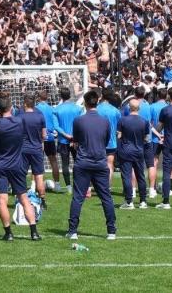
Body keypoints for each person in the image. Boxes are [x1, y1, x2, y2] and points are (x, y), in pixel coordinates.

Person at [0, 96, 40, 241]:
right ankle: (33, 232)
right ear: (11, 107)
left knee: (2, 199)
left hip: (0, 165)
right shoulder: (20, 121)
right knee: (23, 197)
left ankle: (8, 233)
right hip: (17, 164)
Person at [66, 90, 117, 240]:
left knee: (78, 197)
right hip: (100, 162)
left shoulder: (79, 120)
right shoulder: (104, 121)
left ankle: (73, 231)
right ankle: (111, 231)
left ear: (86, 103)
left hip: (83, 162)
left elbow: (76, 140)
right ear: (97, 102)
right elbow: (106, 140)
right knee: (106, 197)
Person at [116, 98, 150, 209]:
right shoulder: (144, 121)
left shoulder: (122, 120)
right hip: (139, 151)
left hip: (125, 151)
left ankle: (129, 201)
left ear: (129, 108)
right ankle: (143, 201)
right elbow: (146, 138)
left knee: (126, 176)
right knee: (140, 176)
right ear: (139, 108)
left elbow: (119, 136)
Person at [19, 94, 48, 202]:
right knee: (39, 175)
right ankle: (43, 200)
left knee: (21, 174)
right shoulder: (40, 116)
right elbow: (44, 135)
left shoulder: (20, 117)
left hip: (23, 149)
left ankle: (22, 200)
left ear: (25, 104)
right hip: (36, 149)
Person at [52, 87, 82, 191]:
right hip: (76, 140)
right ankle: (77, 185)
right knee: (78, 162)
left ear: (61, 96)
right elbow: (81, 123)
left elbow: (56, 126)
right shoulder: (78, 108)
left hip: (63, 141)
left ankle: (69, 187)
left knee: (65, 164)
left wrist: (66, 135)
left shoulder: (56, 110)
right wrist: (73, 136)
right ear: (70, 95)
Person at [35, 90, 60, 192]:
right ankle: (57, 185)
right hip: (49, 137)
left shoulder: (36, 108)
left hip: (39, 138)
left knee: (37, 162)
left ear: (38, 97)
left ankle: (36, 186)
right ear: (47, 97)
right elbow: (54, 122)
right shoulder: (51, 109)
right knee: (53, 161)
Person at [97, 90, 122, 175]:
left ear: (102, 96)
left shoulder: (96, 109)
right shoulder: (115, 111)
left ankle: (98, 186)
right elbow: (120, 126)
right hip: (111, 141)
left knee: (97, 164)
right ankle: (107, 187)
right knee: (109, 164)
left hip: (97, 141)